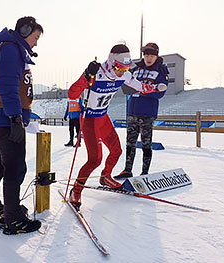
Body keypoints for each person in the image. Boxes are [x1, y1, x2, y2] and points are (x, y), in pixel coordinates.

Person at [68, 44, 167, 210]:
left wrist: (156, 87)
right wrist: (85, 76)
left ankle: (105, 176)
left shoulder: (124, 75)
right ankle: (76, 191)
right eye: (119, 68)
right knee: (95, 159)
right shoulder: (96, 74)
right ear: (111, 62)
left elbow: (140, 86)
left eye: (126, 68)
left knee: (117, 150)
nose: (121, 72)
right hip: (90, 119)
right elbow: (72, 94)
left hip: (103, 117)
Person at [0, 16, 43, 235]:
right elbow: (7, 85)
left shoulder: (5, 46)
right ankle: (13, 220)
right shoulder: (11, 48)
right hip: (7, 119)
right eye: (35, 37)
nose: (36, 43)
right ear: (26, 31)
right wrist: (15, 118)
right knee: (15, 168)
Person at [115, 43, 169, 179]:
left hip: (147, 112)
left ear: (157, 56)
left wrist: (143, 90)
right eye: (146, 55)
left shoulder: (161, 70)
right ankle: (127, 170)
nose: (148, 58)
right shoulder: (135, 68)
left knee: (146, 143)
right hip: (133, 110)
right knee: (130, 142)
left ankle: (145, 172)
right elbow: (126, 83)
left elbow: (160, 93)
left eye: (151, 55)